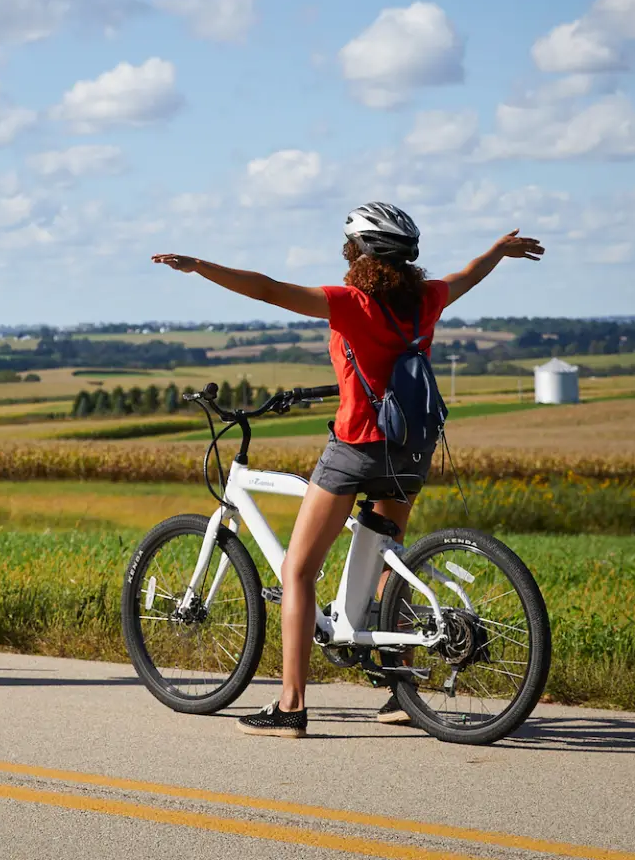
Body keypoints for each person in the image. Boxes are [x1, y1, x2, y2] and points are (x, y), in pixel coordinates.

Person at [152, 202, 543, 737]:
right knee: (387, 562)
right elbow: (464, 278)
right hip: (411, 449)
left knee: (298, 571)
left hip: (356, 448)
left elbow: (267, 288)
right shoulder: (425, 300)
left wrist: (201, 267)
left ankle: (290, 704)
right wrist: (497, 251)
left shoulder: (350, 303)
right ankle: (401, 690)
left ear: (359, 253)